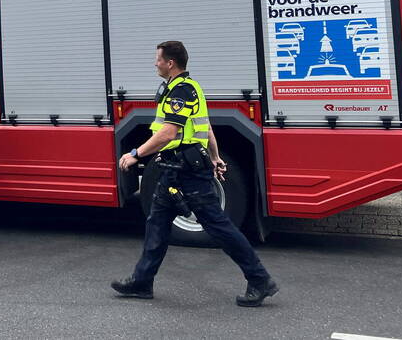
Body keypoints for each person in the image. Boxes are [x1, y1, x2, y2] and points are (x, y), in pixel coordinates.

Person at [111, 41, 279, 307]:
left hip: (187, 171)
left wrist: (135, 154)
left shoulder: (181, 90)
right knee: (157, 223)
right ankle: (142, 282)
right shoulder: (188, 87)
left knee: (218, 226)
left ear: (170, 63)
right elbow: (206, 126)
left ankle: (260, 279)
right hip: (173, 170)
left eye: (158, 59)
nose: (155, 63)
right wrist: (215, 157)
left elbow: (169, 132)